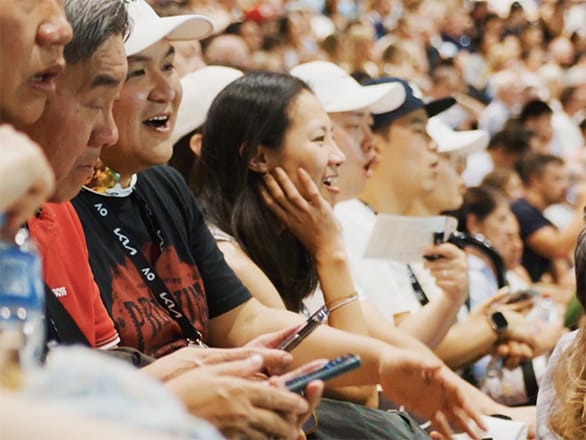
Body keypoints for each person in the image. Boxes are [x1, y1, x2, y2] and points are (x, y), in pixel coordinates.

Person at [70, 20, 484, 434]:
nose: (342, 153)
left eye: (170, 66)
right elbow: (359, 394)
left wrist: (386, 362)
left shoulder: (164, 187)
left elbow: (244, 321)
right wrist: (332, 254)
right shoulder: (58, 205)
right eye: (138, 72)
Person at [20, 2, 322, 439]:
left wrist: (180, 373)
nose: (107, 134)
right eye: (136, 74)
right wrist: (169, 399)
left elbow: (100, 371)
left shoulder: (93, 202)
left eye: (169, 65)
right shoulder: (67, 200)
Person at [511, 153, 586, 283]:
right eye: (557, 179)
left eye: (565, 179)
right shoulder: (522, 211)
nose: (565, 186)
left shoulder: (537, 214)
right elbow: (558, 248)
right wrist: (583, 206)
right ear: (535, 181)